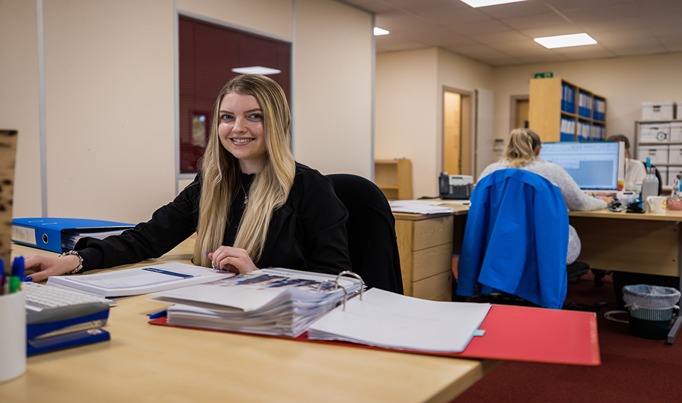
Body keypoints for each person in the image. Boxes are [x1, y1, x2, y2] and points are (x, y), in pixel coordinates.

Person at [24, 74, 351, 282]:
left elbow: (338, 279)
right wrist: (72, 261)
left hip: (282, 333)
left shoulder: (309, 188)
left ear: (278, 124)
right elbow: (147, 238)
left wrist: (258, 276)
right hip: (220, 317)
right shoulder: (213, 183)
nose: (237, 128)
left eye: (255, 117)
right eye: (227, 117)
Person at [478, 128, 611, 264]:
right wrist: (603, 202)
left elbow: (477, 202)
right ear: (538, 150)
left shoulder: (490, 171)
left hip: (499, 245)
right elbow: (580, 203)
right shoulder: (551, 170)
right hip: (543, 248)